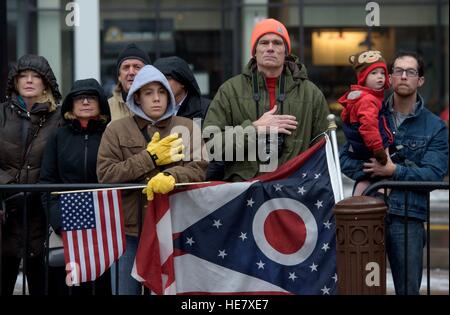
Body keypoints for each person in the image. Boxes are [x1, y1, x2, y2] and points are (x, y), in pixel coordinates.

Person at [340, 51, 449, 295]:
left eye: (410, 72)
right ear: (389, 78)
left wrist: (393, 170)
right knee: (363, 287)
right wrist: (376, 172)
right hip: (368, 213)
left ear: (420, 80)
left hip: (408, 218)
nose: (403, 76)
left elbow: (433, 174)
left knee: (407, 290)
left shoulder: (435, 127)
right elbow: (344, 159)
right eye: (398, 71)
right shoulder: (368, 108)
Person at [97, 65, 208, 295]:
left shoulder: (186, 126)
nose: (157, 98)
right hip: (130, 231)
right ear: (136, 96)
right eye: (149, 93)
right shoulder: (115, 130)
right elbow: (106, 174)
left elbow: (199, 167)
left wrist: (172, 176)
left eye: (162, 92)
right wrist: (149, 158)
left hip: (175, 228)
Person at [203, 18, 330, 181]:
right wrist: (254, 129)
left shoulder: (310, 93)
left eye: (277, 43)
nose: (270, 48)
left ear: (286, 51)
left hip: (295, 192)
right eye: (264, 42)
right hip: (245, 193)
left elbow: (325, 150)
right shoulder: (230, 90)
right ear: (254, 51)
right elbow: (211, 147)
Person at [39, 78, 112, 295]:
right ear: (71, 104)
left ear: (101, 103)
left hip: (104, 222)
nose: (86, 102)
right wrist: (57, 219)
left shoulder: (111, 134)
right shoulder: (58, 136)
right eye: (80, 98)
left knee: (102, 284)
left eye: (91, 97)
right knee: (70, 285)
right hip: (67, 221)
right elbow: (46, 181)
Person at [0, 54, 62, 295]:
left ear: (45, 83)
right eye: (23, 76)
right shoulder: (1, 114)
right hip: (6, 213)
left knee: (43, 285)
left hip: (41, 215)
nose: (28, 81)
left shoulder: (59, 118)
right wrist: (11, 188)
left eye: (35, 76)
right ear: (14, 82)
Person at [338, 50, 393, 195]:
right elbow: (369, 127)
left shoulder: (363, 97)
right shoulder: (368, 100)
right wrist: (378, 150)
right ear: (363, 77)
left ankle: (357, 205)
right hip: (369, 151)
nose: (380, 77)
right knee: (382, 178)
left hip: (360, 151)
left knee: (365, 179)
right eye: (373, 73)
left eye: (382, 72)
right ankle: (371, 205)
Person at [153, 56, 211, 121]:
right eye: (158, 80)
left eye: (167, 78)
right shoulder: (151, 108)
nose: (163, 83)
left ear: (183, 82)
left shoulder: (206, 109)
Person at [108, 43, 151, 121]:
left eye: (137, 67)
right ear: (119, 76)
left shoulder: (158, 104)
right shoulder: (107, 108)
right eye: (126, 67)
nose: (131, 72)